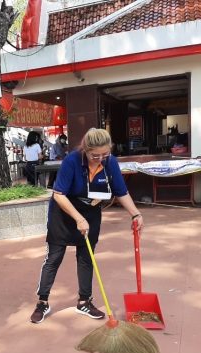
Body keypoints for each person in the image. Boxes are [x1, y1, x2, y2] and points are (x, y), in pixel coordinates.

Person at [30, 128, 144, 324]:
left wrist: (135, 213)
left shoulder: (110, 162)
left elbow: (121, 191)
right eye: (95, 155)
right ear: (85, 149)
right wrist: (78, 218)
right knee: (54, 257)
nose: (100, 158)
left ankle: (84, 301)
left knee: (86, 256)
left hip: (91, 211)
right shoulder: (72, 161)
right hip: (64, 211)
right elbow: (59, 194)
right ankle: (42, 302)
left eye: (105, 154)